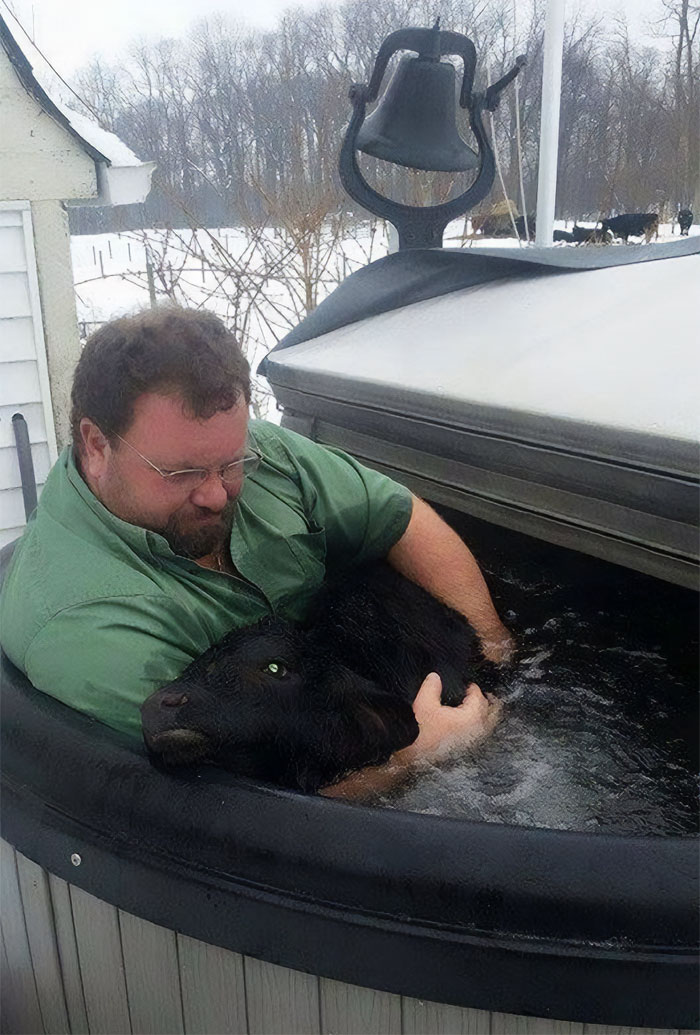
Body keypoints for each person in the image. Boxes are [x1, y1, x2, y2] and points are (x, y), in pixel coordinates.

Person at [0, 307, 512, 797]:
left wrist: (494, 658)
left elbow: (404, 520)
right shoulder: (88, 629)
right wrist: (418, 755)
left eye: (230, 463)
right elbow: (234, 801)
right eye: (182, 474)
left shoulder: (245, 449)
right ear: (95, 445)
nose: (217, 493)